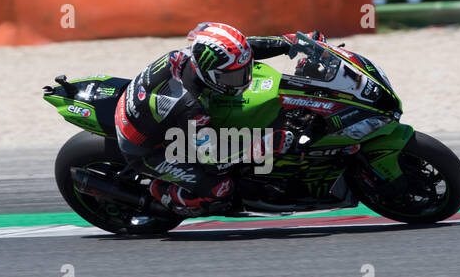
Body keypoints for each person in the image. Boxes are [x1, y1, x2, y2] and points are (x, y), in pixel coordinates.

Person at [115, 23, 326, 215]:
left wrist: (289, 42)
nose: (243, 80)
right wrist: (263, 144)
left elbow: (245, 50)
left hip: (160, 116)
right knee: (219, 189)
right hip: (149, 149)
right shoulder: (190, 106)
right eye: (233, 77)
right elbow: (211, 156)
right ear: (209, 74)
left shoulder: (199, 58)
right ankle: (162, 193)